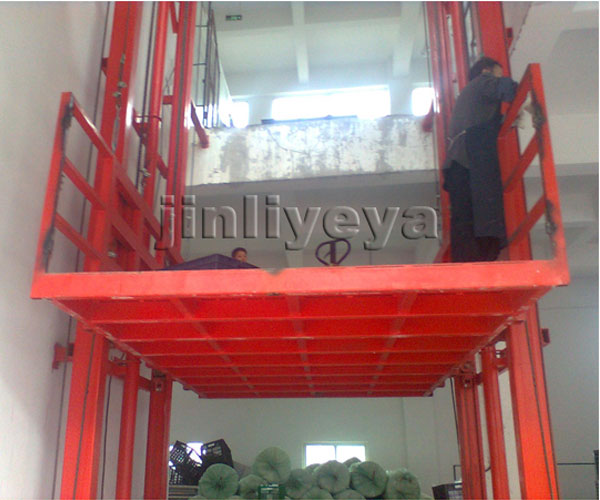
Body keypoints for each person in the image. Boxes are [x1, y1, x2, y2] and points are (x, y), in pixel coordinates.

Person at [442, 56, 518, 262]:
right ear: (486, 71)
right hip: (471, 158)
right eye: (498, 73)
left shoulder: (470, 98)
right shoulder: (482, 82)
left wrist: (506, 121)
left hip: (459, 162)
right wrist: (524, 100)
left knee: (465, 218)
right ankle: (481, 257)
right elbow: (507, 89)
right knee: (481, 214)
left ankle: (470, 260)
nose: (499, 77)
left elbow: (482, 122)